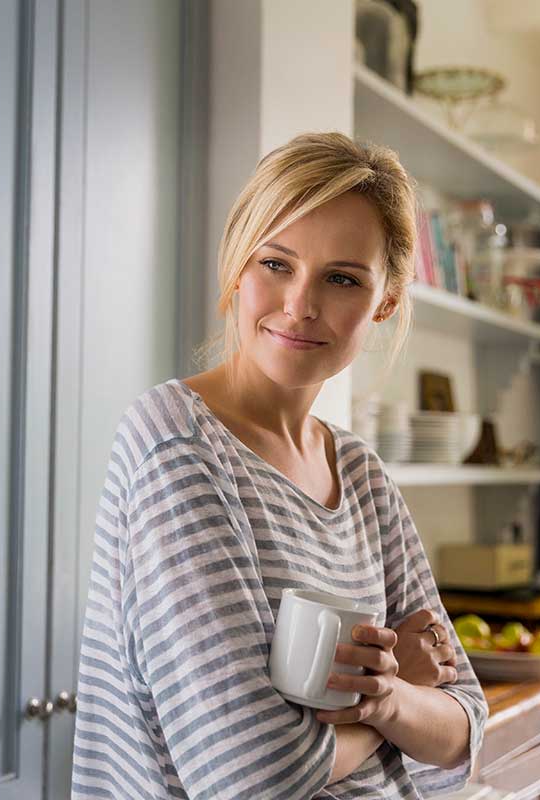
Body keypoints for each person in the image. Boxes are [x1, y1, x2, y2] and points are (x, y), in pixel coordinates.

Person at [71, 132, 487, 799]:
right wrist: (400, 697)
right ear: (237, 266)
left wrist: (383, 701)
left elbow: (464, 733)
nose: (300, 304)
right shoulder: (177, 443)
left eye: (343, 278)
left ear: (383, 302)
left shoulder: (360, 473)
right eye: (276, 264)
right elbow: (251, 778)